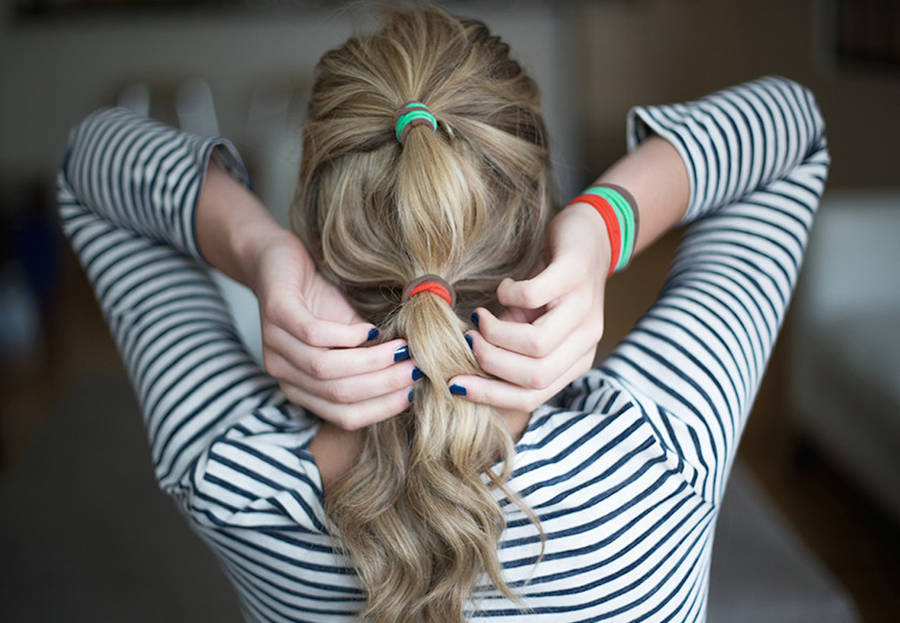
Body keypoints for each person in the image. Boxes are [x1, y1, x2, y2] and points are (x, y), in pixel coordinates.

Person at [57, 4, 829, 622]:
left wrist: (259, 251)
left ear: (318, 227)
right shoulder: (657, 455)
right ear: (535, 211)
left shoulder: (231, 474)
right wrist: (602, 224)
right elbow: (788, 128)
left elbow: (91, 162)